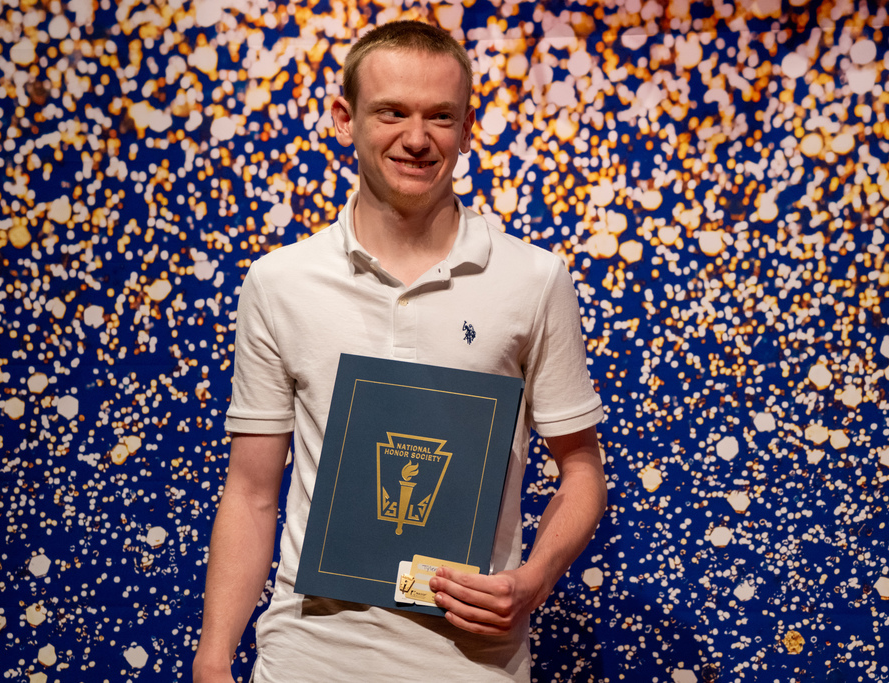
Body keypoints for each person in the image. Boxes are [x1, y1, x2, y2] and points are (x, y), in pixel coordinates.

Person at [192, 20, 607, 682]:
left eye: (440, 116)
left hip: (473, 663)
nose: (417, 138)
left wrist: (532, 582)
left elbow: (581, 470)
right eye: (393, 112)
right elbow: (250, 492)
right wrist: (213, 660)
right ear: (344, 117)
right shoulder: (281, 281)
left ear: (467, 129)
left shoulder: (533, 280)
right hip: (307, 660)